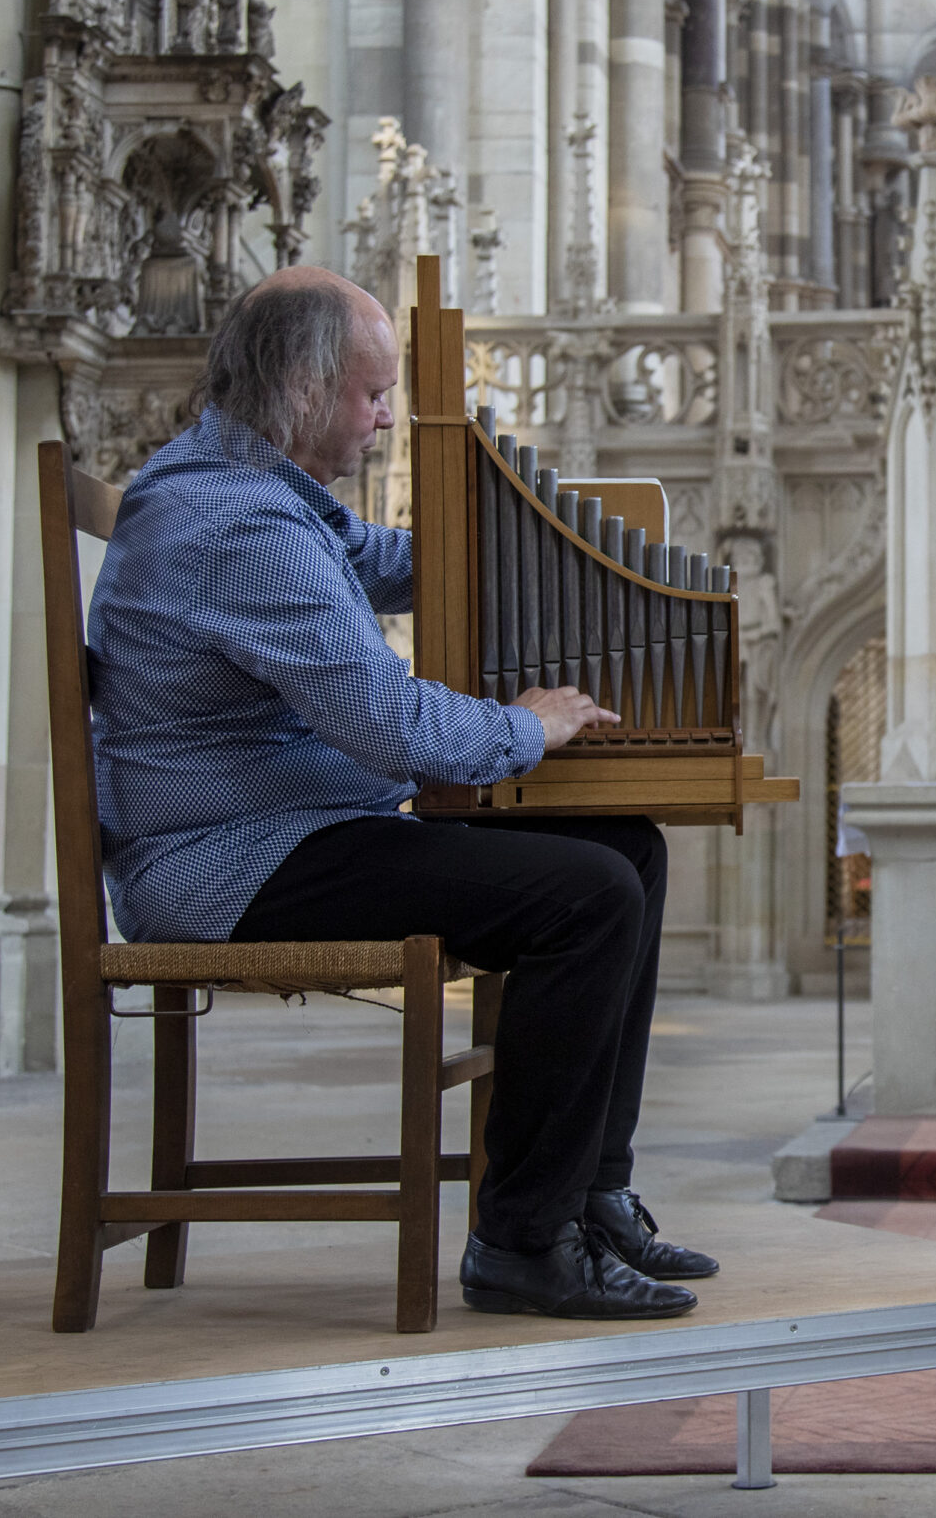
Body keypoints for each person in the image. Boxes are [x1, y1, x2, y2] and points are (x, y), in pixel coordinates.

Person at [87, 267, 718, 1321]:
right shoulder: (239, 530)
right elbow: (389, 724)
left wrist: (537, 542)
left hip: (291, 832)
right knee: (587, 894)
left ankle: (592, 1193)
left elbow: (391, 562)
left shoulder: (258, 491)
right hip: (228, 863)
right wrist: (532, 726)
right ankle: (523, 1242)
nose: (384, 420)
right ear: (301, 385)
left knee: (628, 847)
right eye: (372, 396)